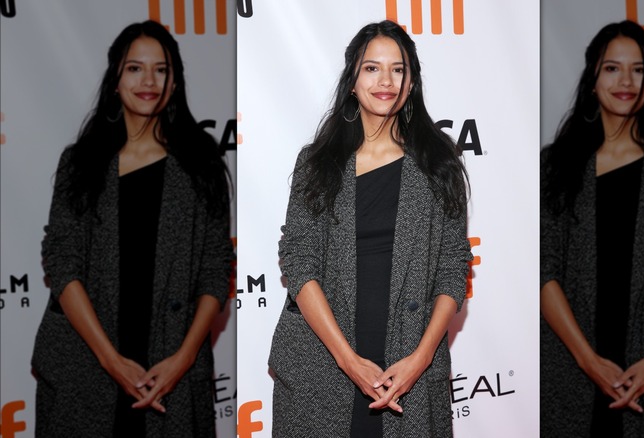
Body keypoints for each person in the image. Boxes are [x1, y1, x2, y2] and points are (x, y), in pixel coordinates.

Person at [269, 20, 473, 437]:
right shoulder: (317, 162)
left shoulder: (439, 161)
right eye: (372, 68)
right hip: (323, 365)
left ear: (411, 81)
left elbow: (454, 267)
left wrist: (421, 358)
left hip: (409, 366)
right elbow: (299, 261)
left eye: (398, 69)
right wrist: (348, 361)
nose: (386, 81)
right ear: (351, 81)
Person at [32, 20, 233, 437]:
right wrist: (111, 360)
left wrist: (183, 358)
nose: (149, 81)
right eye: (135, 68)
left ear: (174, 81)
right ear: (116, 78)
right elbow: (62, 263)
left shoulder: (201, 164)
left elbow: (216, 270)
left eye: (161, 69)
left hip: (172, 369)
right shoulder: (81, 162)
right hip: (86, 366)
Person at [540, 20, 644, 437]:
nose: (626, 81)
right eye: (612, 68)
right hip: (573, 369)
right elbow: (544, 270)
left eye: (639, 69)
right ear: (593, 78)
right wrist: (588, 361)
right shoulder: (559, 164)